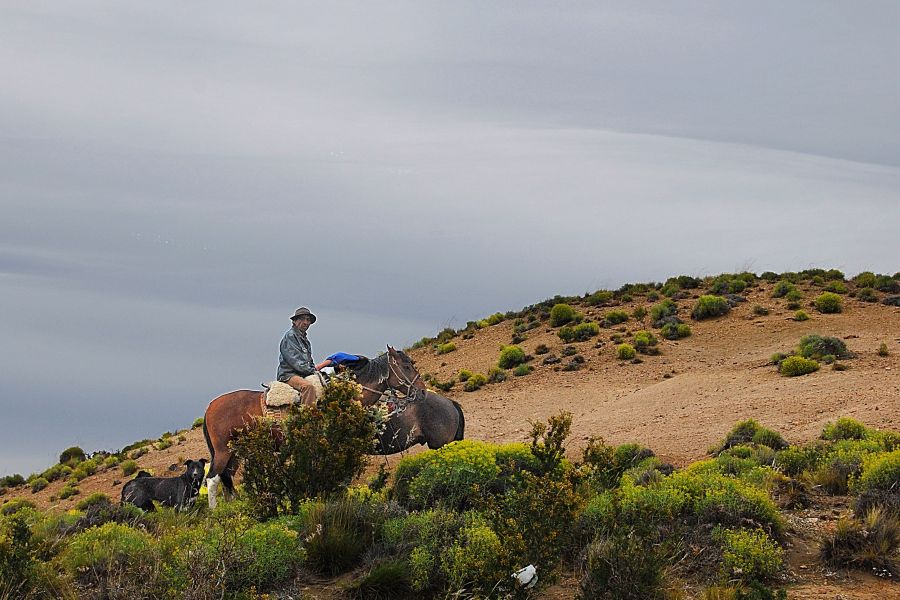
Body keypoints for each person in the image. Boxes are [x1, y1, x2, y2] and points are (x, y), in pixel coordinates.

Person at [277, 307, 320, 406]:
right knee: (308, 387)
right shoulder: (290, 336)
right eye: (302, 319)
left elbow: (309, 360)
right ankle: (307, 417)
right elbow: (296, 362)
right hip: (289, 375)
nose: (305, 322)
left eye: (308, 320)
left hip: (303, 374)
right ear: (295, 321)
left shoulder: (305, 341)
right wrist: (312, 371)